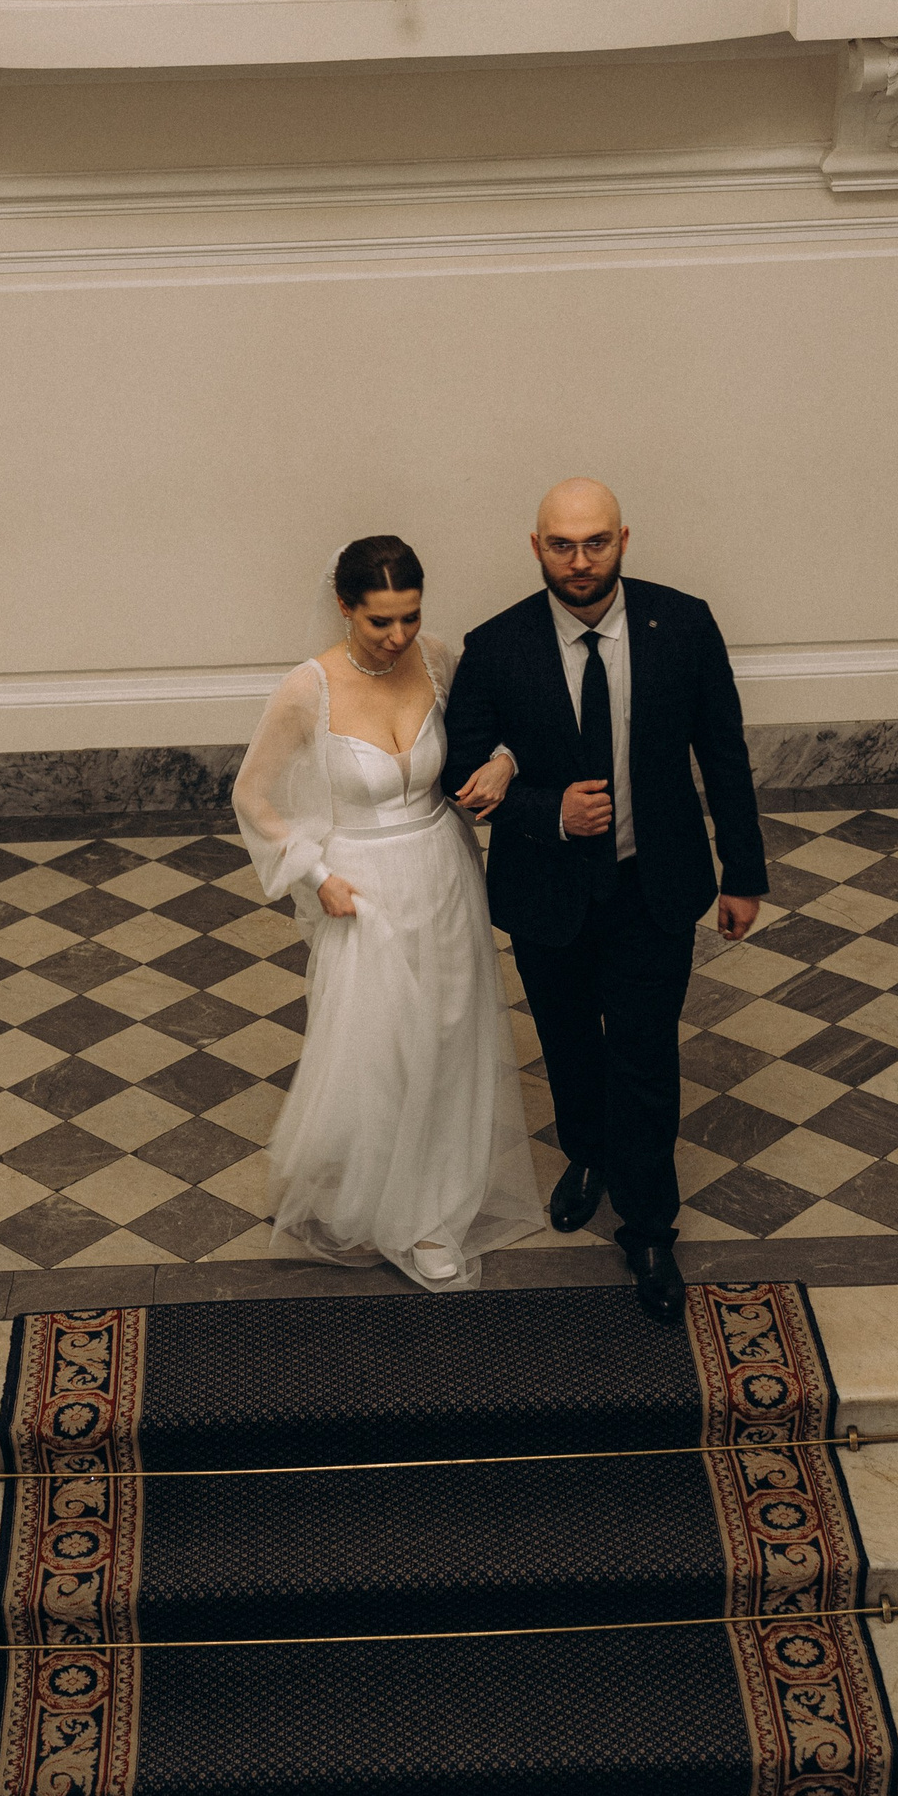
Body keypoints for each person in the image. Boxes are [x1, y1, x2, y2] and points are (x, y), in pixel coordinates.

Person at [441, 479, 768, 1324]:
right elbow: (459, 770)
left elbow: (722, 753)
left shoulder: (683, 624)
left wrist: (743, 872)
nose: (579, 561)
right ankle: (586, 1155)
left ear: (623, 540)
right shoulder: (497, 644)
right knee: (567, 1044)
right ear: (536, 546)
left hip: (651, 887)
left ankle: (650, 1228)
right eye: (562, 545)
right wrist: (548, 810)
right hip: (546, 892)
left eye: (595, 543)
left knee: (644, 1054)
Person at [233, 535, 542, 1291]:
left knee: (449, 1035)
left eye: (410, 617)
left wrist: (503, 761)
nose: (398, 636)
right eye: (380, 621)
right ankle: (384, 1202)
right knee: (379, 1048)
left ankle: (430, 1206)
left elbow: (498, 726)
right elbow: (252, 796)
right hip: (361, 888)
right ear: (345, 607)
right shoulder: (308, 690)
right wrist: (315, 873)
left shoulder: (437, 661)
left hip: (443, 871)